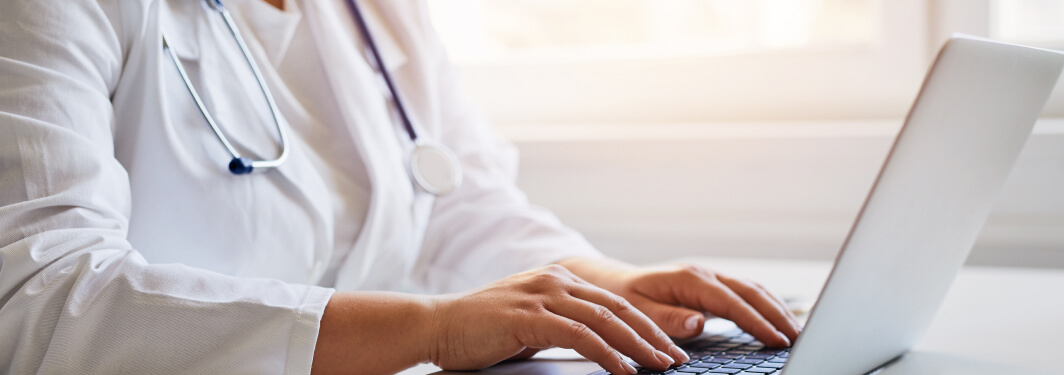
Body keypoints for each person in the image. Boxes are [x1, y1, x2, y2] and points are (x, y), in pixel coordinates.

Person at [0, 0, 800, 374]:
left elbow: (461, 209)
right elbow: (39, 297)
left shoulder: (373, 15)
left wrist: (609, 287)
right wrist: (427, 327)